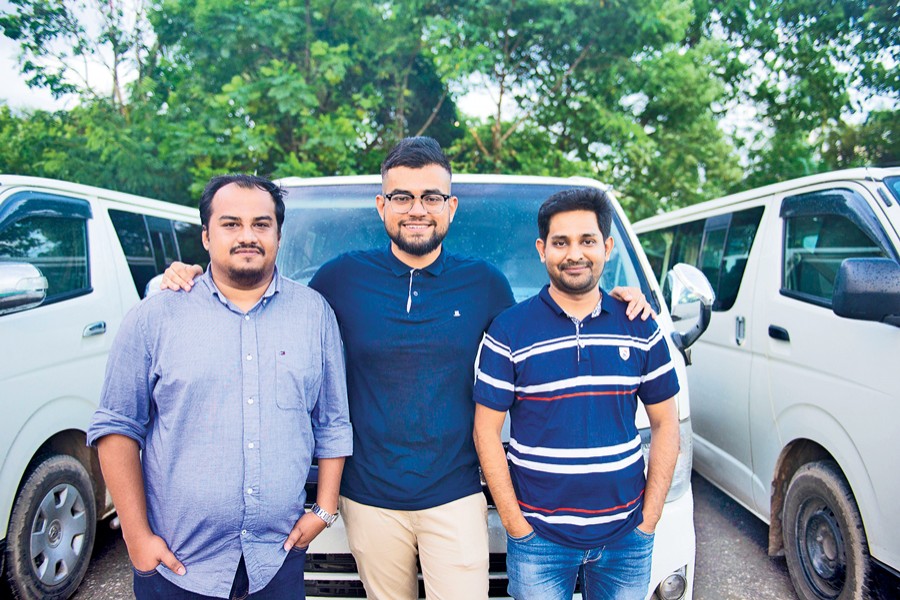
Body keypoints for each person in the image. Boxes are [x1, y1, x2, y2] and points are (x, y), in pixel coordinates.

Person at [160, 137, 653, 600]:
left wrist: (611, 299)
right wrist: (192, 276)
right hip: (366, 497)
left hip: (459, 493)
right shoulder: (340, 278)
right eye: (402, 196)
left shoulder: (486, 284)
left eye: (431, 197)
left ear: (449, 207)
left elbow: (544, 324)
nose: (417, 209)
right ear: (383, 206)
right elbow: (265, 302)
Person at [87, 174, 352, 600]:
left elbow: (333, 420)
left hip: (276, 561)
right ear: (206, 236)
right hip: (177, 565)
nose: (248, 236)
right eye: (231, 224)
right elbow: (117, 428)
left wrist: (324, 508)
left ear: (279, 235)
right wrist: (137, 539)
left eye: (261, 224)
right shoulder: (155, 318)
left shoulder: (314, 314)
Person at [472, 187, 680, 600]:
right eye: (560, 242)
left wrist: (649, 520)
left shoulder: (639, 324)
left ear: (607, 246)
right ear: (542, 249)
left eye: (587, 241)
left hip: (626, 540)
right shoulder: (509, 330)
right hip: (540, 544)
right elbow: (485, 433)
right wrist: (518, 527)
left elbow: (666, 423)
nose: (574, 254)